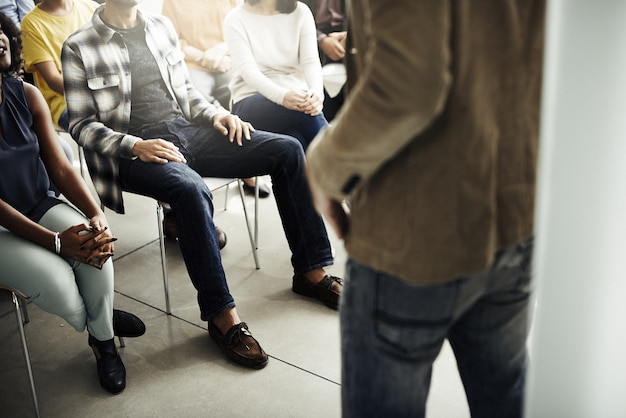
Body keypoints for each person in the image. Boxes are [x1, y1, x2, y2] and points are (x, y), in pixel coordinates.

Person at [61, 0, 342, 370]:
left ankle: (311, 271)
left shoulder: (158, 27)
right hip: (132, 151)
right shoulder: (79, 45)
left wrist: (219, 114)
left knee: (287, 150)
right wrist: (136, 146)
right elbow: (79, 124)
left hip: (186, 131)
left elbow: (187, 92)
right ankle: (221, 315)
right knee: (192, 190)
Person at [306, 1, 546, 417]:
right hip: (515, 208)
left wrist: (322, 167)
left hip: (415, 230)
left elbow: (407, 87)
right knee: (506, 394)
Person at [0, 12, 145, 395]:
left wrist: (96, 214)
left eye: (0, 29)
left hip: (37, 201)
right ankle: (103, 325)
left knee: (98, 249)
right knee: (61, 286)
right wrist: (58, 243)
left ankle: (103, 343)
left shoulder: (26, 94)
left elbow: (62, 169)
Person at [160, 0, 269, 243]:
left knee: (248, 96)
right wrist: (204, 56)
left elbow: (244, 30)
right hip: (193, 65)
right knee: (192, 107)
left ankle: (246, 167)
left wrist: (220, 51)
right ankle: (190, 197)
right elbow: (170, 42)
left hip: (227, 60)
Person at [224, 0, 327, 150]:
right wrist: (282, 96)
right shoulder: (235, 18)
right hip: (250, 100)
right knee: (303, 111)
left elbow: (310, 61)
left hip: (297, 97)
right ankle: (344, 163)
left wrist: (317, 93)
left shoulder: (301, 12)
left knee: (296, 141)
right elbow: (248, 70)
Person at [20, 0, 99, 131]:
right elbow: (53, 79)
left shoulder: (92, 8)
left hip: (109, 91)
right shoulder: (31, 23)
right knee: (106, 128)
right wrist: (98, 92)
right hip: (66, 103)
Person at [302, 0, 345, 122]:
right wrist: (321, 39)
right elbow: (290, 16)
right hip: (311, 35)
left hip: (348, 35)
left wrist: (349, 36)